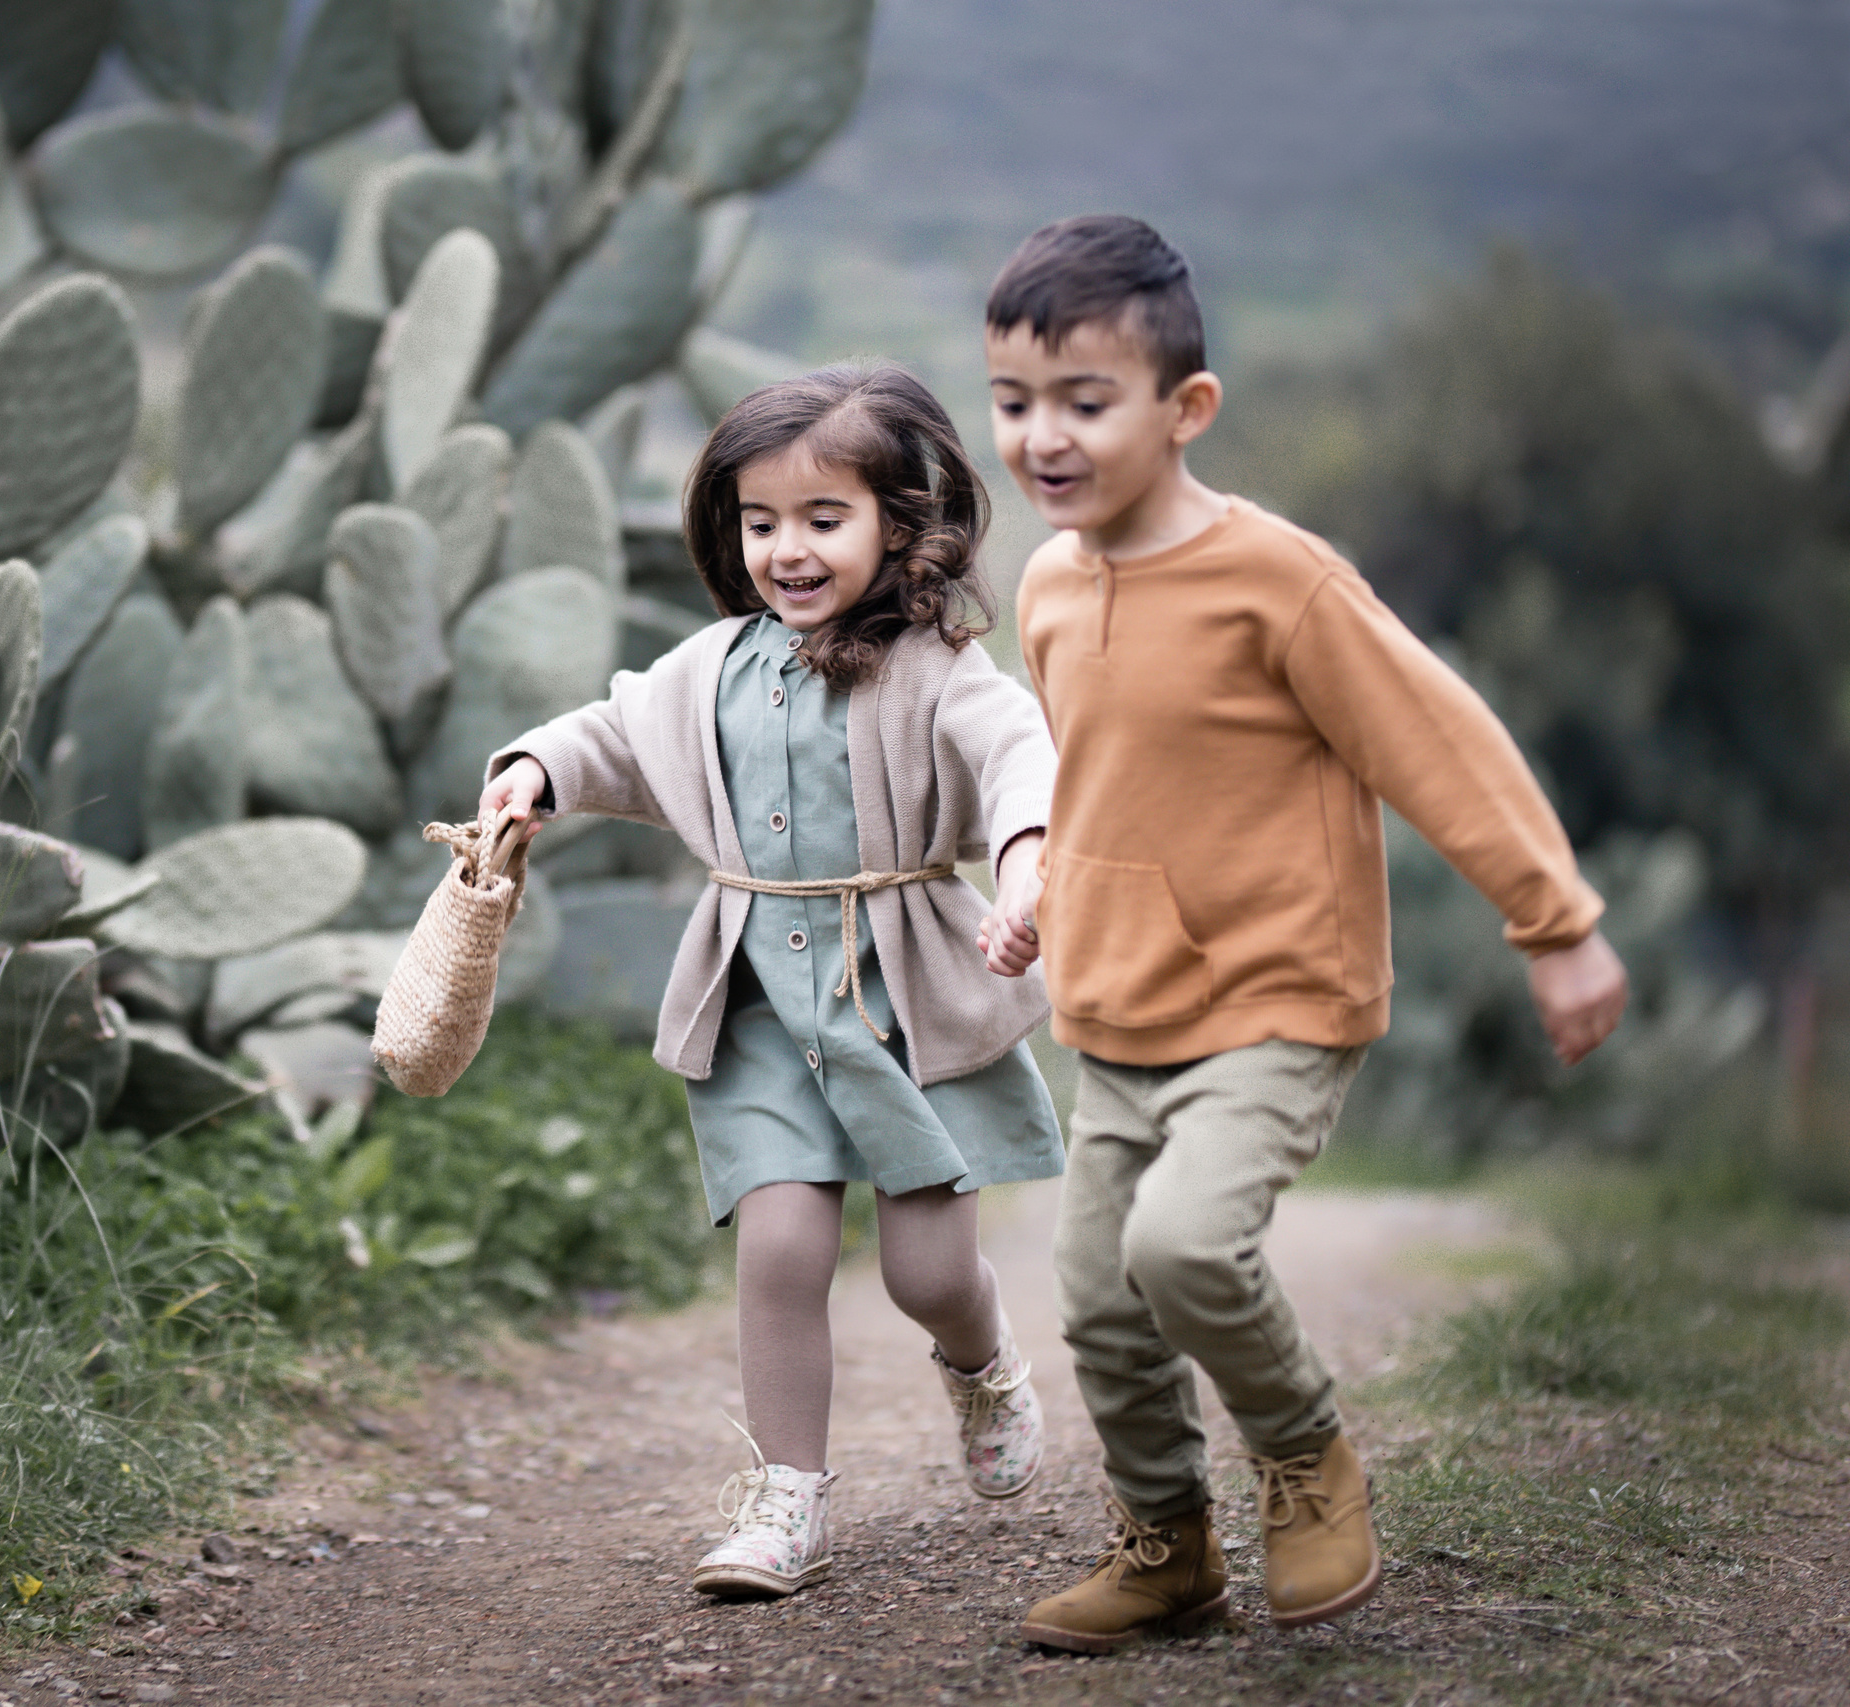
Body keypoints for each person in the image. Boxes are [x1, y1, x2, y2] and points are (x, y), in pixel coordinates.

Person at [975, 214, 1630, 1651]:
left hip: (1276, 993)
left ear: (1184, 408)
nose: (1044, 437)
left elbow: (1434, 740)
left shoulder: (1278, 579)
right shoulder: (1048, 583)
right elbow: (1096, 773)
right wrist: (1040, 890)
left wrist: (1554, 919)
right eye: (1016, 403)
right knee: (1098, 1291)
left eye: (1086, 401)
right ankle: (1168, 1546)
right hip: (1119, 1002)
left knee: (1188, 1243)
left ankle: (1304, 1454)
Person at [479, 363, 1067, 1598]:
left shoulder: (936, 669)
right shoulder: (709, 670)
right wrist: (535, 772)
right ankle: (782, 1496)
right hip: (757, 1007)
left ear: (898, 526)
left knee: (924, 1273)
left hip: (904, 997)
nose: (786, 550)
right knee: (781, 1252)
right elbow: (616, 734)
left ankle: (982, 1361)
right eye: (759, 523)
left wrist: (1024, 864)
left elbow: (1017, 755)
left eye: (822, 519)